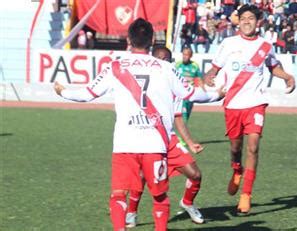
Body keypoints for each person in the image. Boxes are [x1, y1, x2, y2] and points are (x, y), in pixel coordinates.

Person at [53, 18, 222, 231]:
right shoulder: (166, 68)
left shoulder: (115, 66)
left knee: (118, 194)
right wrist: (218, 95)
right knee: (159, 196)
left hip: (125, 143)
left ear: (129, 39)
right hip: (155, 143)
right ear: (152, 39)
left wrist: (63, 91)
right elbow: (192, 94)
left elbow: (87, 94)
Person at [203, 4, 296, 214]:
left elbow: (274, 68)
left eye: (251, 18)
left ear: (258, 22)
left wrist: (288, 77)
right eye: (243, 18)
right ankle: (237, 170)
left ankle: (246, 195)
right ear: (239, 21)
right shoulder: (228, 43)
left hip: (256, 102)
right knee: (236, 148)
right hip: (233, 104)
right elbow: (214, 69)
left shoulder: (265, 46)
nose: (246, 21)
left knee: (253, 146)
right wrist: (209, 76)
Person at [126, 46, 219, 228]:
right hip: (146, 137)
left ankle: (187, 203)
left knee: (195, 175)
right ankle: (131, 212)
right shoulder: (141, 84)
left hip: (168, 140)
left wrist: (190, 143)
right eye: (159, 59)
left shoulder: (172, 84)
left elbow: (177, 117)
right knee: (143, 175)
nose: (163, 63)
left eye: (166, 60)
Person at [175, 47, 203, 124]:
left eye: (187, 55)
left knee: (186, 116)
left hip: (190, 96)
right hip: (180, 95)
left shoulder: (195, 66)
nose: (184, 56)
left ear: (190, 56)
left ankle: (180, 134)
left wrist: (203, 91)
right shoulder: (177, 65)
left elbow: (200, 80)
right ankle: (179, 135)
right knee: (182, 116)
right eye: (183, 54)